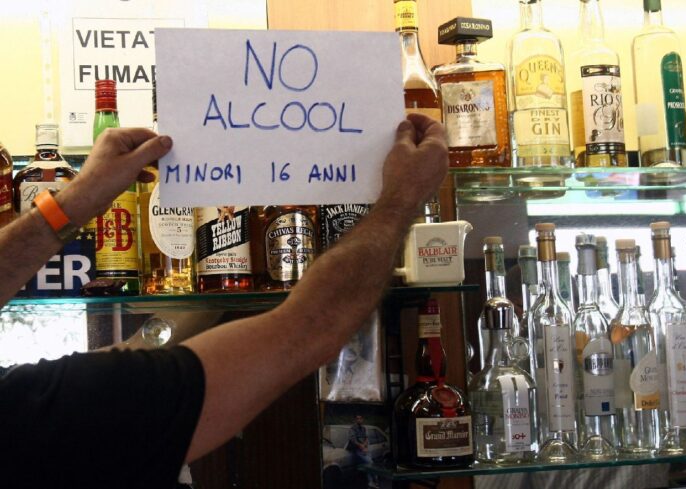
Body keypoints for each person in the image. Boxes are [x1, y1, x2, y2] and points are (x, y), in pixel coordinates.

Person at [0, 113, 448, 488]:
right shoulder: (40, 419)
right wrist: (400, 201)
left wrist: (76, 201)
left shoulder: (37, 411)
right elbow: (311, 327)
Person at [347, 415, 379, 488]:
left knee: (368, 464)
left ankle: (371, 482)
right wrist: (361, 446)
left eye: (360, 418)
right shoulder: (352, 428)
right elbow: (353, 440)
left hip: (364, 448)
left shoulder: (364, 428)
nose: (359, 420)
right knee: (370, 463)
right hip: (357, 450)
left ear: (362, 420)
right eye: (357, 418)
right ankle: (374, 480)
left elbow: (366, 438)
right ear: (355, 420)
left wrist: (364, 446)